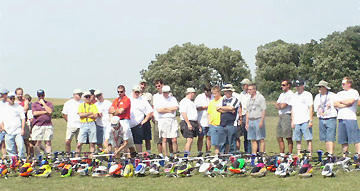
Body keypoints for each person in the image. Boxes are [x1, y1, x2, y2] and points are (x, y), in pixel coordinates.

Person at [334, 77, 360, 157]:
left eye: (344, 84)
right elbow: (335, 104)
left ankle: (358, 155)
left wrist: (341, 102)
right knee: (343, 140)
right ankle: (345, 156)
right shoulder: (339, 93)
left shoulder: (354, 92)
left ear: (349, 84)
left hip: (351, 118)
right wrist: (345, 103)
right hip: (341, 118)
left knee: (356, 138)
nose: (342, 85)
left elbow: (351, 101)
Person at [108, 85, 135, 154]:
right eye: (118, 92)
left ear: (124, 91)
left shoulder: (126, 99)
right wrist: (116, 111)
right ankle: (118, 160)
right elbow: (110, 110)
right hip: (116, 121)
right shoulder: (116, 100)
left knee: (127, 141)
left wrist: (115, 112)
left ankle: (131, 157)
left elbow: (121, 111)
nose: (119, 93)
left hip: (124, 120)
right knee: (116, 141)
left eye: (121, 92)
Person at [290, 80, 313, 157]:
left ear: (303, 85)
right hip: (296, 121)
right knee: (297, 139)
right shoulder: (294, 96)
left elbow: (311, 107)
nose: (297, 87)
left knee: (308, 138)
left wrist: (310, 120)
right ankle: (299, 153)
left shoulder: (307, 95)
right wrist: (292, 121)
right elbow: (292, 108)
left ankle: (309, 154)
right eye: (296, 85)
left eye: (299, 85)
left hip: (305, 120)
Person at [154, 85, 179, 158]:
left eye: (167, 92)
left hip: (172, 119)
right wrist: (169, 110)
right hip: (163, 120)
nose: (165, 94)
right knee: (164, 139)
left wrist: (165, 109)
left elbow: (176, 107)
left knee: (174, 139)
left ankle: (175, 155)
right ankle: (166, 156)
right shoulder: (159, 99)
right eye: (164, 92)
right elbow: (159, 110)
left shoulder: (173, 99)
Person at [314, 80, 337, 154]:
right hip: (321, 118)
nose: (319, 89)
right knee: (325, 138)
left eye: (321, 87)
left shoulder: (332, 95)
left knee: (330, 138)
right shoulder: (317, 96)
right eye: (319, 87)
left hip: (331, 118)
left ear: (325, 87)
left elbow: (336, 105)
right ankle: (328, 153)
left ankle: (331, 154)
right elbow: (315, 108)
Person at [0, 92, 26, 158]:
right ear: (7, 99)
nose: (12, 100)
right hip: (8, 131)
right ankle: (14, 162)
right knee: (10, 149)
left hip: (18, 130)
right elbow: (1, 119)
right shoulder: (3, 108)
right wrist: (2, 127)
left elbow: (23, 118)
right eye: (11, 98)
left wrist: (23, 129)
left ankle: (21, 160)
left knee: (21, 146)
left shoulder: (19, 107)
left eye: (13, 98)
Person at [217, 84, 241, 153]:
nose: (226, 93)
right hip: (222, 124)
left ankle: (232, 156)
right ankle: (222, 156)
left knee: (232, 142)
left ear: (231, 91)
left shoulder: (235, 99)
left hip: (232, 124)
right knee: (221, 142)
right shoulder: (222, 100)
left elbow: (232, 107)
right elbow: (218, 108)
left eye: (228, 91)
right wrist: (228, 109)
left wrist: (224, 108)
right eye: (225, 91)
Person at [129, 85, 153, 153]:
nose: (137, 93)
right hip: (129, 124)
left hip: (138, 124)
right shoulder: (128, 99)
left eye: (138, 92)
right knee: (129, 142)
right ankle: (129, 158)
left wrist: (145, 120)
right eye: (135, 92)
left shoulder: (143, 99)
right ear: (133, 91)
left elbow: (150, 111)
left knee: (138, 142)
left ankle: (139, 157)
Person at [152, 79, 173, 156]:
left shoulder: (169, 95)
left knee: (170, 138)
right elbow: (154, 107)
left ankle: (171, 154)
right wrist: (153, 116)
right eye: (156, 86)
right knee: (159, 139)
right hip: (158, 119)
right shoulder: (155, 96)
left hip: (167, 118)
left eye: (159, 86)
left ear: (163, 85)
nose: (158, 87)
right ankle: (161, 154)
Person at [31, 89, 54, 156]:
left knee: (48, 142)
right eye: (39, 95)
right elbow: (35, 113)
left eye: (42, 95)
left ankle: (49, 157)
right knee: (38, 142)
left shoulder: (49, 103)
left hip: (48, 125)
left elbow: (50, 111)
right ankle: (38, 157)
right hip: (38, 125)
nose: (41, 97)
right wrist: (44, 112)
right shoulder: (34, 104)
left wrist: (43, 103)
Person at [245, 84, 266, 156]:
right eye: (248, 89)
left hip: (258, 119)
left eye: (250, 89)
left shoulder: (260, 98)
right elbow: (247, 111)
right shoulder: (249, 99)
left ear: (255, 90)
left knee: (261, 138)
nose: (248, 91)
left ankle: (262, 154)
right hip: (251, 120)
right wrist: (247, 123)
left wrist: (261, 121)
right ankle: (254, 154)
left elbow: (263, 110)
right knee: (253, 139)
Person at [76, 91, 99, 156]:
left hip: (91, 123)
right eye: (86, 97)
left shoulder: (93, 106)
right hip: (83, 124)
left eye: (89, 96)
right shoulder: (81, 105)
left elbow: (95, 116)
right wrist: (89, 113)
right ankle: (76, 157)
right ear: (84, 98)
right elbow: (81, 115)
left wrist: (85, 114)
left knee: (92, 143)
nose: (88, 98)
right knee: (79, 143)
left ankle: (92, 157)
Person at [179, 88, 201, 155]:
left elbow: (194, 114)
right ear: (190, 93)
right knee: (189, 139)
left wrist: (198, 125)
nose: (194, 95)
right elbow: (183, 113)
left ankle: (187, 154)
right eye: (194, 93)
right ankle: (186, 156)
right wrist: (188, 123)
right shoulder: (184, 101)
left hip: (193, 121)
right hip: (187, 122)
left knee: (191, 139)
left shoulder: (191, 102)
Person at [62, 89, 83, 155]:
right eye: (78, 94)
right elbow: (64, 114)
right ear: (74, 95)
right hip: (71, 125)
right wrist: (69, 121)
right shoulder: (68, 103)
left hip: (81, 125)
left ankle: (77, 156)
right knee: (68, 141)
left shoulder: (83, 103)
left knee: (79, 143)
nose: (80, 96)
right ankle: (68, 154)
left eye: (81, 94)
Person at [275, 79, 294, 154]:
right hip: (280, 116)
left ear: (288, 85)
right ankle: (282, 153)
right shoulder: (282, 95)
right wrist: (280, 105)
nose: (282, 86)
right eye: (281, 85)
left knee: (288, 136)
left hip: (287, 116)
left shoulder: (290, 94)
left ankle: (289, 153)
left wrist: (280, 105)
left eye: (284, 85)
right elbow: (276, 105)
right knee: (279, 136)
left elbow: (283, 105)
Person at [194, 85, 213, 153]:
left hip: (211, 121)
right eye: (207, 91)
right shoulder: (200, 97)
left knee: (209, 137)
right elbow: (196, 107)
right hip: (201, 121)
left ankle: (208, 151)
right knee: (201, 137)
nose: (209, 93)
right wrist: (205, 107)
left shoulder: (213, 97)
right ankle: (199, 151)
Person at [207, 86, 224, 155]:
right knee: (215, 143)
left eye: (215, 93)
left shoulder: (223, 100)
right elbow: (209, 113)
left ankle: (223, 154)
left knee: (222, 142)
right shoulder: (211, 102)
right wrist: (209, 122)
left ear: (219, 92)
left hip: (221, 124)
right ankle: (217, 155)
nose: (214, 95)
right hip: (213, 124)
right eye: (213, 94)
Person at [15, 87, 31, 156]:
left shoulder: (25, 101)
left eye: (21, 94)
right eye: (18, 94)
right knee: (16, 142)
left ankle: (29, 155)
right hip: (16, 123)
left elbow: (25, 108)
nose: (20, 96)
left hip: (24, 122)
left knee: (26, 141)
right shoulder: (15, 102)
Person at [139, 79, 153, 154]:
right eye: (142, 84)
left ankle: (149, 153)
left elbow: (152, 107)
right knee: (139, 139)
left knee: (147, 138)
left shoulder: (149, 95)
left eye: (144, 85)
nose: (143, 86)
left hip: (146, 119)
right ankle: (140, 153)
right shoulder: (135, 95)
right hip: (138, 120)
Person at [238, 78, 252, 153]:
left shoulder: (251, 93)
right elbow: (240, 105)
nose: (243, 86)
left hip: (251, 115)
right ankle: (247, 151)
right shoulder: (241, 94)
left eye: (244, 85)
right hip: (243, 115)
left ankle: (253, 151)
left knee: (251, 135)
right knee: (245, 135)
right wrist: (240, 117)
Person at [0, 88, 9, 158]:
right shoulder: (0, 103)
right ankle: (4, 156)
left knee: (10, 141)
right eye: (2, 94)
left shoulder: (10, 103)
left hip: (9, 124)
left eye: (4, 94)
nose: (3, 95)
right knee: (3, 142)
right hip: (1, 124)